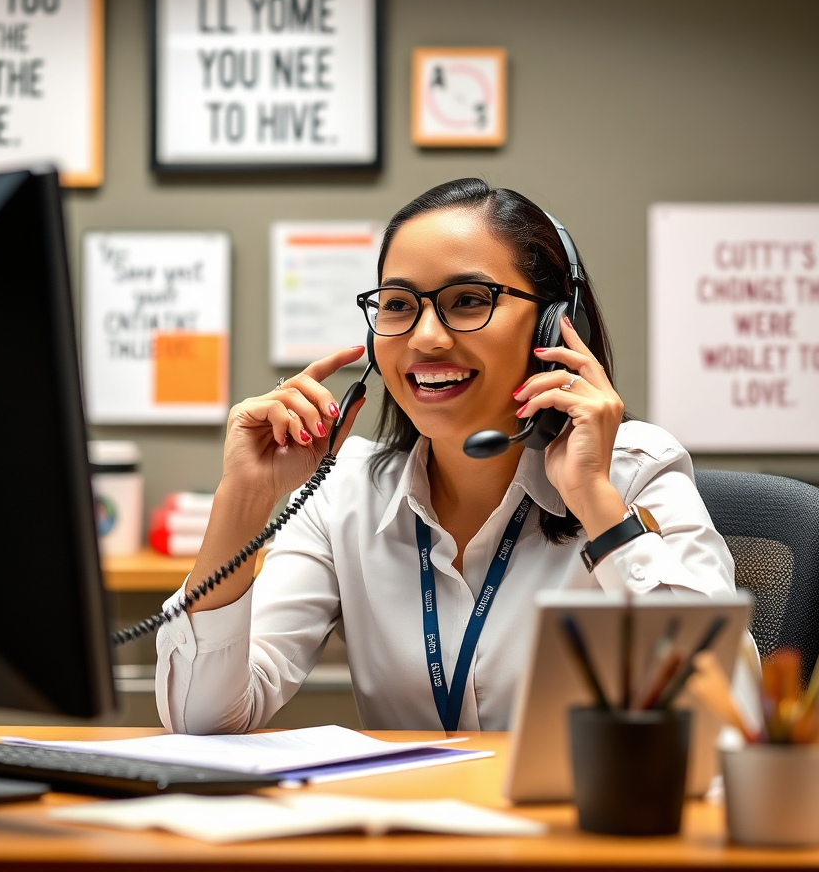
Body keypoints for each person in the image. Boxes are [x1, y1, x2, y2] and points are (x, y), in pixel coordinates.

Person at [156, 178, 742, 734]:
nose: (426, 337)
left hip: (572, 835)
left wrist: (596, 503)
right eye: (397, 304)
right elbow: (204, 719)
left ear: (556, 327)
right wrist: (245, 497)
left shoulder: (635, 471)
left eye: (468, 300)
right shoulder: (345, 492)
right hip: (408, 836)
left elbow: (730, 716)